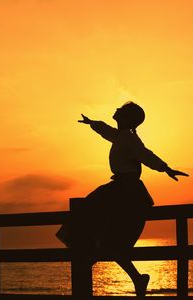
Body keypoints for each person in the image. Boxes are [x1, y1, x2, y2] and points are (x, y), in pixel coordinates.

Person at [75, 101, 189, 297]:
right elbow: (106, 130)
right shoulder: (121, 136)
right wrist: (92, 122)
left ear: (128, 118)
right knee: (106, 234)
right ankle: (133, 275)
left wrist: (166, 168)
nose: (116, 109)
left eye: (121, 109)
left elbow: (146, 155)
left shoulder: (128, 138)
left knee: (109, 235)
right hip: (119, 188)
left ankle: (92, 252)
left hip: (126, 192)